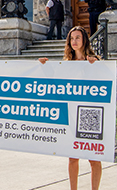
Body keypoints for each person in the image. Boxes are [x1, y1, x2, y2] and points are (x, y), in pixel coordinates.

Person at [39, 26, 101, 190]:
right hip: (72, 114)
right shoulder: (66, 64)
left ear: (84, 40)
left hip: (90, 114)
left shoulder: (94, 61)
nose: (74, 41)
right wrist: (44, 68)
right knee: (73, 158)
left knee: (94, 159)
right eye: (71, 38)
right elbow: (56, 86)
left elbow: (102, 84)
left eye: (77, 38)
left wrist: (95, 66)